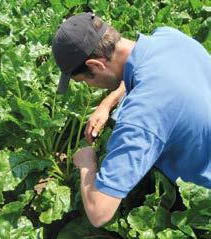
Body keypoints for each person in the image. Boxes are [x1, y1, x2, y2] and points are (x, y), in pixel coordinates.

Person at [52, 12, 211, 227]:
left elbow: (99, 213)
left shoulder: (141, 116)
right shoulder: (169, 38)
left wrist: (86, 163)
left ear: (96, 65)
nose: (89, 87)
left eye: (83, 81)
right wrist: (107, 103)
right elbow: (144, 72)